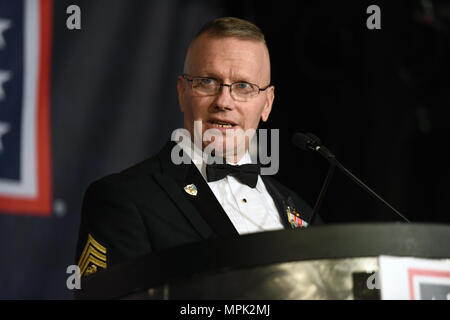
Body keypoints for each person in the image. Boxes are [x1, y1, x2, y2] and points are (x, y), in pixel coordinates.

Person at [75, 17, 318, 278]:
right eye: (208, 82)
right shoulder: (123, 200)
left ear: (267, 103)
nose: (224, 101)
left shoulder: (304, 213)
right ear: (182, 92)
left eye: (243, 87)